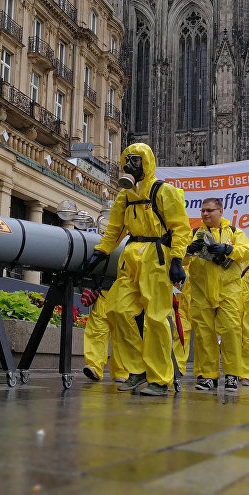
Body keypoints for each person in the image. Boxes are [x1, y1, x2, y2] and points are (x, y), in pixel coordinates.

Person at [82, 143, 193, 396]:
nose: (130, 166)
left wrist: (177, 259)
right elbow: (114, 230)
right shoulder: (125, 196)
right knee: (118, 310)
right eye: (127, 160)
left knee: (155, 318)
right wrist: (101, 251)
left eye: (135, 161)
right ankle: (137, 370)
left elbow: (180, 228)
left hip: (157, 258)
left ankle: (160, 379)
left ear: (146, 162)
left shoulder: (165, 192)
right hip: (131, 258)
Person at [184, 197, 249, 392]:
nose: (205, 214)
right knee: (204, 333)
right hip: (201, 291)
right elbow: (178, 257)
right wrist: (189, 250)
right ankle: (209, 376)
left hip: (228, 290)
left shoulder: (234, 233)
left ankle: (232, 375)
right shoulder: (193, 234)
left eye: (209, 210)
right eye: (203, 211)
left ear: (220, 211)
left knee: (231, 332)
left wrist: (228, 249)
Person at [80, 286, 129, 383]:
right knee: (97, 333)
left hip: (120, 297)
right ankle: (94, 367)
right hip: (106, 297)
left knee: (120, 337)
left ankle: (121, 371)